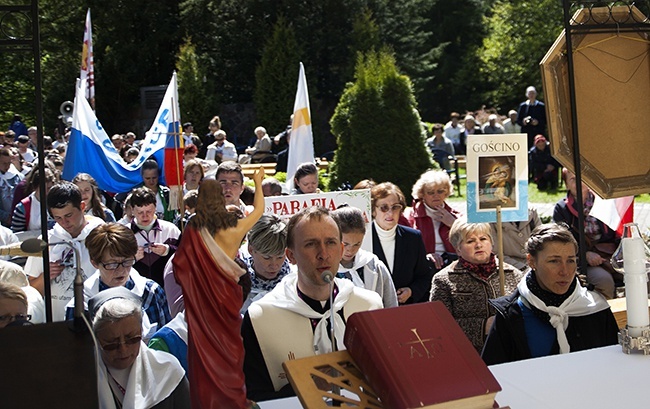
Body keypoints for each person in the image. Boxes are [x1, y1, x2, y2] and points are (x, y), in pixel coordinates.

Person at [242, 206, 383, 401]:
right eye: (311, 244)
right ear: (290, 255)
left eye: (331, 243)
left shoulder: (369, 305)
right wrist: (308, 385)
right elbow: (254, 397)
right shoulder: (261, 317)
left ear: (341, 250)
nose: (323, 254)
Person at [173, 167, 265, 408]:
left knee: (206, 355)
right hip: (227, 299)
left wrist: (197, 285)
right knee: (230, 353)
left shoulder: (195, 231)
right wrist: (259, 182)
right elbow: (260, 211)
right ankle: (232, 400)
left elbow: (180, 267)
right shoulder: (234, 229)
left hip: (203, 305)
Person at [481, 224, 618, 365]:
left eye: (571, 260)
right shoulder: (511, 314)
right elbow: (495, 374)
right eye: (554, 261)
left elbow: (614, 365)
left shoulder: (595, 308)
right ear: (532, 261)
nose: (564, 271)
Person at [430, 219, 524, 352]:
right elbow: (439, 325)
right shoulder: (444, 280)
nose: (478, 245)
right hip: (467, 354)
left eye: (483, 239)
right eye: (470, 241)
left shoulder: (512, 274)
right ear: (458, 249)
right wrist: (483, 326)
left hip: (508, 352)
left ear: (491, 242)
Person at [66, 223, 171, 339]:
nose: (121, 270)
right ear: (95, 263)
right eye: (112, 264)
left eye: (127, 262)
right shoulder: (82, 304)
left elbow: (165, 343)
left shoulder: (152, 293)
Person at [90, 288, 189, 409]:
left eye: (132, 339)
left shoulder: (168, 371)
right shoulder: (82, 381)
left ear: (141, 332)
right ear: (96, 340)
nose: (123, 350)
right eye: (112, 344)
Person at [24, 182, 104, 321]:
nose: (64, 222)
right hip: (56, 323)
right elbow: (32, 291)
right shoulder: (47, 240)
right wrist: (46, 276)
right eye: (58, 218)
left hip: (93, 320)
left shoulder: (101, 236)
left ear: (82, 207)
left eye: (69, 215)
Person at [553, 169, 621, 299]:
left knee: (644, 273)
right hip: (583, 261)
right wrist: (585, 254)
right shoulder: (562, 208)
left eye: (582, 178)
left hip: (611, 254)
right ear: (566, 184)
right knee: (604, 281)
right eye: (573, 179)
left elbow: (618, 230)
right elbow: (563, 242)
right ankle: (609, 316)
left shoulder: (603, 201)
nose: (578, 182)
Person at [371, 182, 432, 304]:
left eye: (395, 207)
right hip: (372, 310)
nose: (390, 213)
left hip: (405, 310)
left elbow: (424, 275)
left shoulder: (413, 237)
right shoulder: (363, 239)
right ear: (373, 211)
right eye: (384, 207)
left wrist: (411, 291)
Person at [332, 206, 398, 308]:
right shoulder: (325, 268)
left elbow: (391, 305)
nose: (350, 250)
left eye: (357, 244)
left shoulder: (374, 265)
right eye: (345, 244)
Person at [407, 170, 461, 271]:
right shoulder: (411, 217)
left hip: (453, 266)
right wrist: (425, 256)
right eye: (431, 192)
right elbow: (406, 248)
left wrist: (453, 223)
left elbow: (470, 240)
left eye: (440, 191)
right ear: (422, 194)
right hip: (423, 266)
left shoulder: (457, 216)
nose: (436, 195)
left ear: (446, 193)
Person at [130, 187, 180, 288]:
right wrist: (132, 258)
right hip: (136, 290)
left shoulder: (170, 230)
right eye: (140, 212)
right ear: (132, 210)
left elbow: (185, 255)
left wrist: (168, 250)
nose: (145, 216)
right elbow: (114, 262)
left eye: (149, 211)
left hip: (167, 288)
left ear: (155, 207)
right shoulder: (123, 233)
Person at [240, 214, 291, 312]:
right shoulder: (238, 282)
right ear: (251, 250)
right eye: (267, 257)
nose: (274, 265)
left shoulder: (294, 281)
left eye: (280, 257)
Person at [11, 167, 57, 235]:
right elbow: (17, 234)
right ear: (35, 187)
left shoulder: (60, 202)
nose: (47, 192)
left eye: (49, 188)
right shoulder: (23, 207)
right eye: (43, 189)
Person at [0, 148, 25, 227]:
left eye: (9, 163)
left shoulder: (17, 177)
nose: (7, 166)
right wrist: (6, 217)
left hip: (17, 219)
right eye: (4, 163)